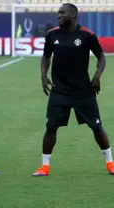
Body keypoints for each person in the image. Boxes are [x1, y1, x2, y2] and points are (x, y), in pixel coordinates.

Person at [33, 3, 114, 176]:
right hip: (59, 91)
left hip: (83, 91)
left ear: (74, 15)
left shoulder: (87, 35)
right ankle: (44, 167)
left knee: (97, 127)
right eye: (58, 13)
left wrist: (97, 76)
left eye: (63, 13)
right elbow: (46, 56)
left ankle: (110, 163)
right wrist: (43, 75)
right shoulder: (52, 35)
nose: (59, 16)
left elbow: (101, 57)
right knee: (51, 127)